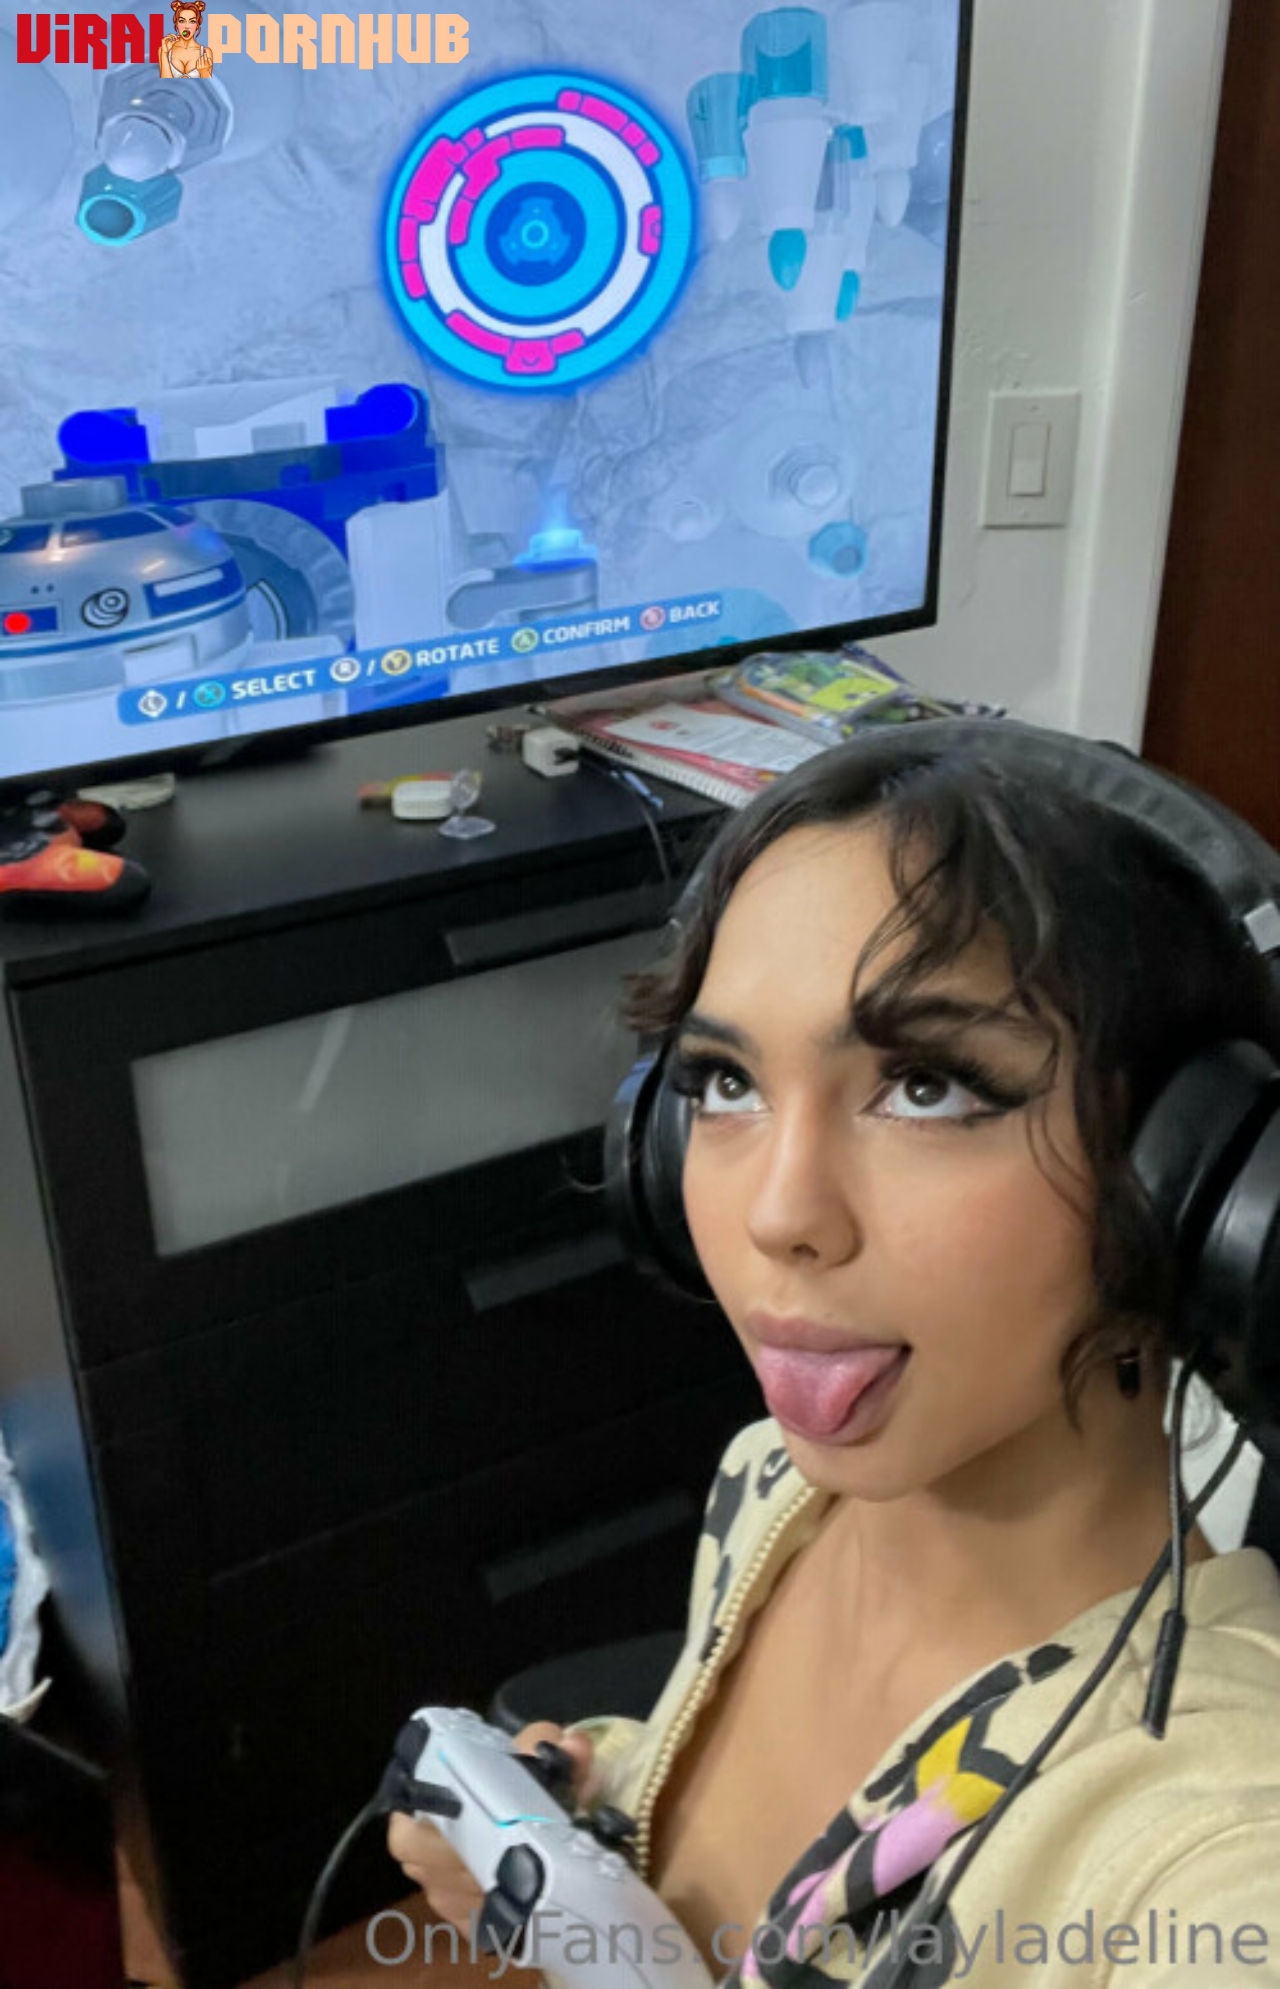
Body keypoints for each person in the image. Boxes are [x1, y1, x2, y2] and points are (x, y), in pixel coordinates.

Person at [390, 729, 1280, 1986]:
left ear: (1187, 1183)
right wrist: (589, 1831)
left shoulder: (1215, 1845)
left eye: (926, 1086)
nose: (775, 1213)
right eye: (724, 1083)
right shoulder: (773, 1490)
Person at [158, 0, 213, 77]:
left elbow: (207, 84)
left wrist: (204, 72)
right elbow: (165, 82)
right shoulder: (164, 49)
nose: (187, 26)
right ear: (176, 24)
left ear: (197, 25)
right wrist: (164, 53)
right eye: (182, 21)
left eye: (192, 21)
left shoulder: (205, 52)